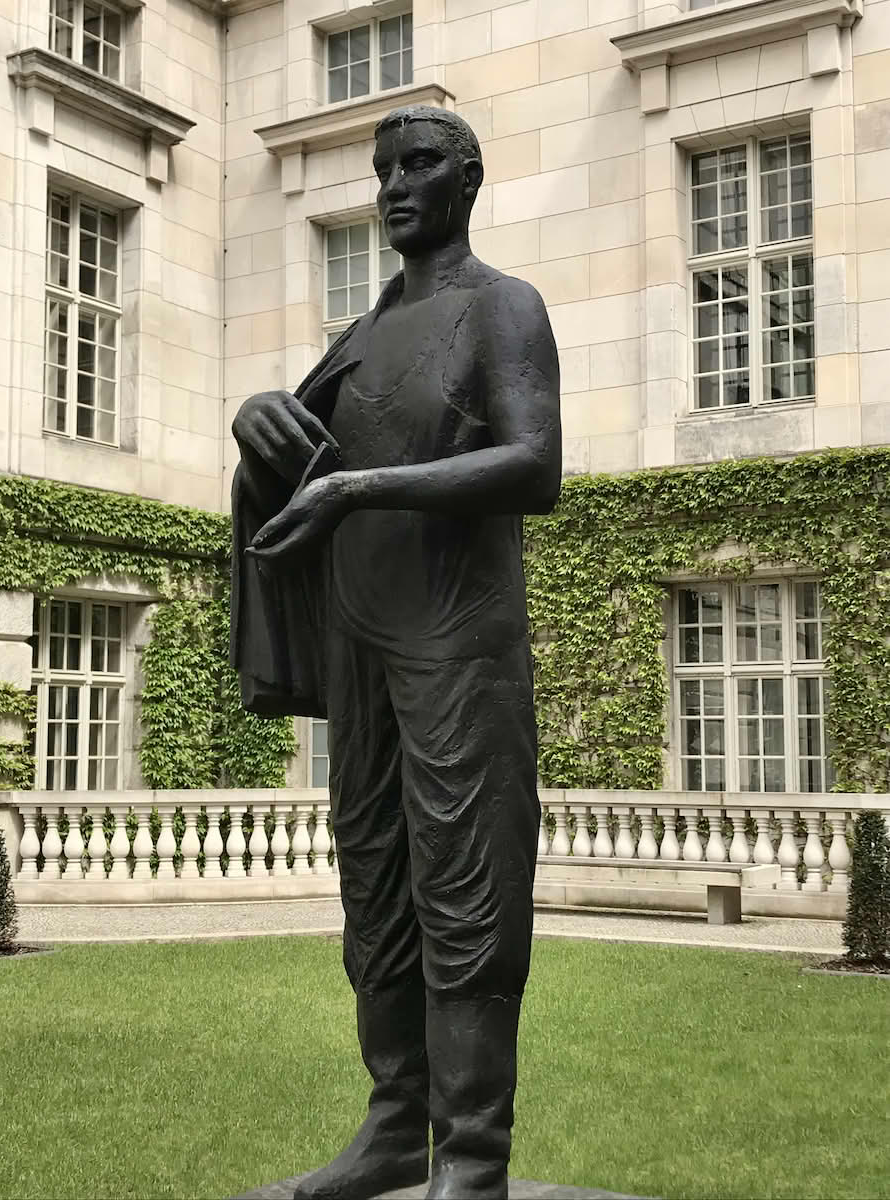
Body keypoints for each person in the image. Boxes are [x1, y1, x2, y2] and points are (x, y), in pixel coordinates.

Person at [230, 105, 562, 1200]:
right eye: (382, 171)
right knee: (374, 888)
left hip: (460, 648)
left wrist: (356, 487)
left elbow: (532, 466)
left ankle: (470, 1155)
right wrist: (259, 420)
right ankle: (392, 1126)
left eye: (418, 165)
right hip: (365, 648)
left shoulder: (501, 307)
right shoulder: (364, 331)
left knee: (466, 892)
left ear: (469, 179)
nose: (394, 187)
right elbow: (301, 466)